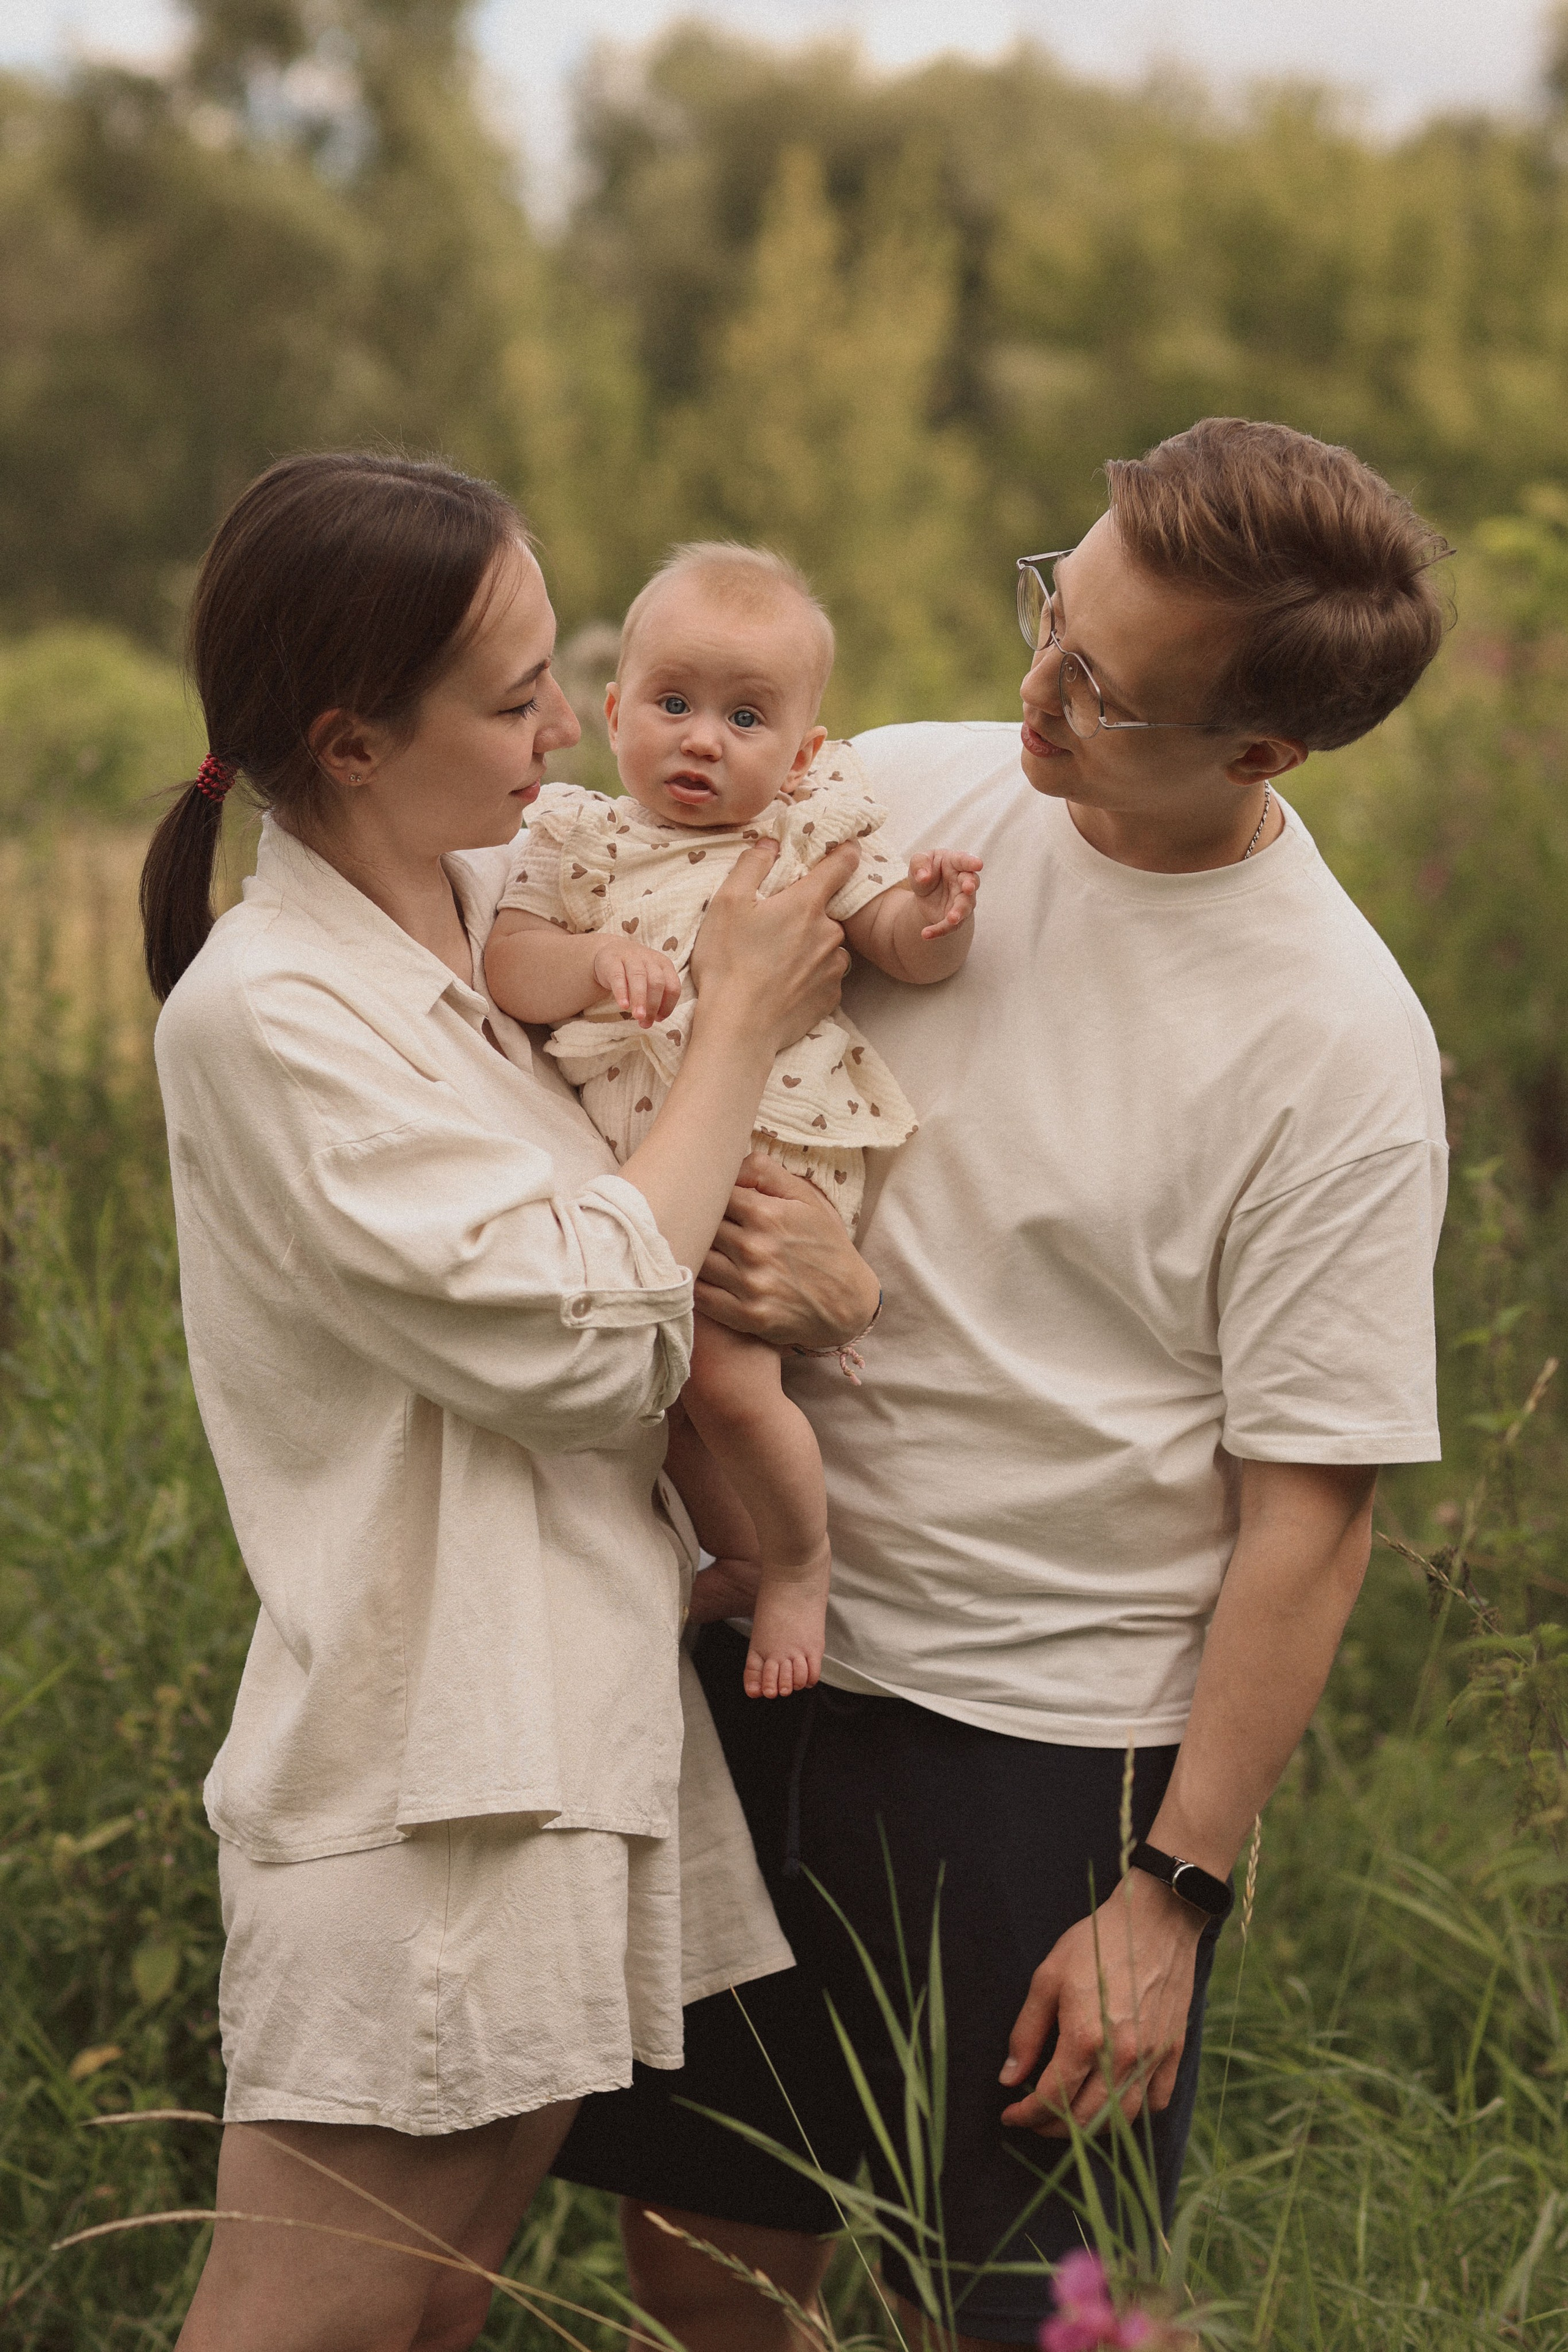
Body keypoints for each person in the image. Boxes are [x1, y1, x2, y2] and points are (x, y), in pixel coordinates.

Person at [552, 418, 1453, 2350]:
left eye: (1104, 689)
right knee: (705, 2249)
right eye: (1056, 607)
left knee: (1017, 2313)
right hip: (746, 1658)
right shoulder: (904, 790)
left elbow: (1314, 1518)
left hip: (1038, 1751)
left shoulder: (1337, 1048)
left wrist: (1171, 1899)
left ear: (1262, 752)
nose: (1037, 691)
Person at [140, 451, 878, 2352]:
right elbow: (579, 1348)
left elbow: (848, 771)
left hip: (574, 1733)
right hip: (427, 1776)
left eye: (565, 671)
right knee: (310, 2320)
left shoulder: (502, 900)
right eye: (517, 694)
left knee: (429, 2314)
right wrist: (735, 1029)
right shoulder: (273, 1011)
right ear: (350, 745)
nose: (570, 729)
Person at [484, 542, 982, 1701]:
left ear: (802, 752)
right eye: (674, 704)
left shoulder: (807, 831)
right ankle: (741, 1551)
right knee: (660, 1396)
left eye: (746, 718)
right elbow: (511, 965)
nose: (703, 740)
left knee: (721, 1380)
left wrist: (936, 916)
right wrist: (590, 959)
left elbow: (895, 945)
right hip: (646, 1165)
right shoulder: (577, 839)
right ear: (615, 712)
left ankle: (797, 1564)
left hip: (766, 1158)